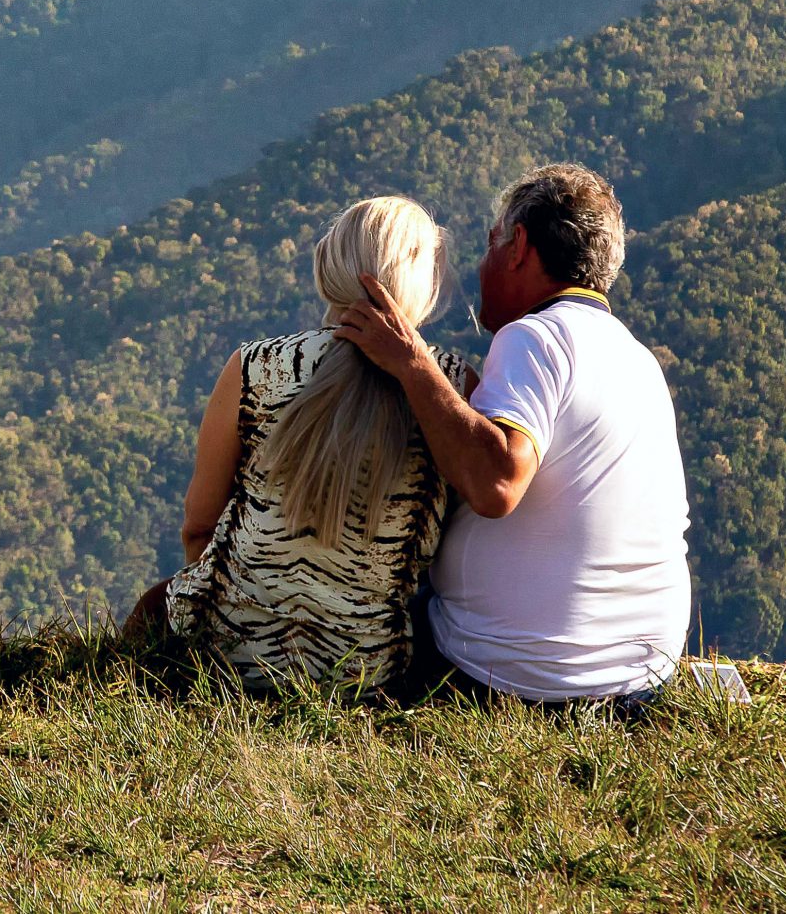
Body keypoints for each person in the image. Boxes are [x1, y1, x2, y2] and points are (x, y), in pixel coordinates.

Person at [335, 162, 690, 703]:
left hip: (518, 677)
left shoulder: (537, 337)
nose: (481, 267)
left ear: (518, 245)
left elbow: (496, 484)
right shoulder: (637, 359)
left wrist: (411, 362)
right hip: (643, 673)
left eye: (490, 245)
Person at [138, 196, 476, 688]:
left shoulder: (254, 369)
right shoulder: (454, 389)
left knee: (152, 605)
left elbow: (199, 525)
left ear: (326, 267)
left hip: (224, 653)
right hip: (366, 672)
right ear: (427, 285)